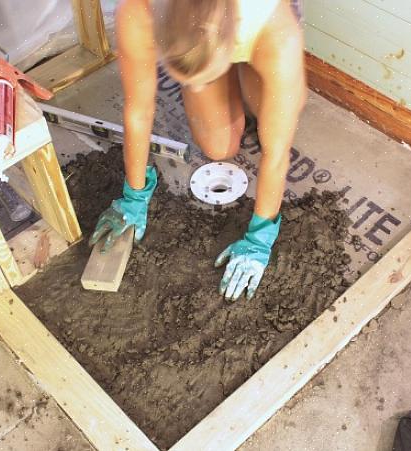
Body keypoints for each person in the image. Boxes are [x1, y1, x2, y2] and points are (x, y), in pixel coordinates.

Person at [90, 0, 306, 300]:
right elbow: (138, 111)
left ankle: (241, 67)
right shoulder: (138, 9)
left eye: (202, 77)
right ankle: (211, 73)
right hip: (209, 36)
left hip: (257, 34)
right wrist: (134, 195)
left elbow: (277, 153)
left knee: (274, 113)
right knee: (220, 146)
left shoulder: (276, 29)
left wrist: (259, 239)